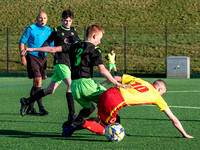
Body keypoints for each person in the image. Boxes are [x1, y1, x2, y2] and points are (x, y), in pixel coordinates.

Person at [20, 24, 132, 126]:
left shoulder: (74, 45)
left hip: (74, 87)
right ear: (93, 36)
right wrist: (117, 83)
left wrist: (33, 48)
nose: (99, 42)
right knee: (110, 101)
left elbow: (53, 48)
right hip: (86, 85)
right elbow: (102, 70)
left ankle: (74, 123)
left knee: (91, 108)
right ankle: (117, 129)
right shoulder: (95, 49)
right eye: (99, 39)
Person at [62, 74, 194, 138]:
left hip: (108, 92)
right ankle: (82, 122)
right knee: (105, 130)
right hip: (115, 101)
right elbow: (173, 119)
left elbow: (116, 77)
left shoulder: (141, 80)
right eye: (163, 93)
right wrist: (184, 133)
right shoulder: (157, 96)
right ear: (159, 90)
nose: (162, 95)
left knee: (108, 119)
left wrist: (102, 85)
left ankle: (72, 127)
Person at [20, 9, 80, 122]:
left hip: (67, 64)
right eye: (65, 20)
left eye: (70, 21)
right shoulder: (57, 31)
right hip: (60, 63)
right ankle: (72, 115)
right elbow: (48, 42)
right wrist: (41, 49)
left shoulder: (73, 31)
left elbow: (79, 45)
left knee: (50, 90)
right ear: (62, 20)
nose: (67, 23)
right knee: (70, 86)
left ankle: (26, 101)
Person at [19, 12, 53, 116]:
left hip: (43, 58)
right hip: (32, 57)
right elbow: (22, 42)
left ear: (47, 19)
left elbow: (52, 46)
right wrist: (22, 57)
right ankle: (41, 108)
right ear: (37, 18)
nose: (42, 20)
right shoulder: (30, 28)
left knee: (36, 83)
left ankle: (30, 107)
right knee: (38, 81)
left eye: (44, 18)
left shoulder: (49, 30)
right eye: (40, 18)